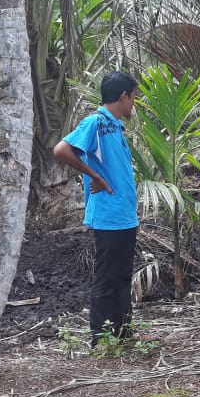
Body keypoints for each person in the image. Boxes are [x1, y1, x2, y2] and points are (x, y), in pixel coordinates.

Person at [53, 72, 145, 348]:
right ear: (123, 96)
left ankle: (123, 333)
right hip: (108, 214)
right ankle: (101, 339)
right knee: (107, 277)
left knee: (122, 276)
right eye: (133, 99)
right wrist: (94, 175)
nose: (133, 105)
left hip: (124, 214)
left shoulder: (115, 126)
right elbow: (61, 149)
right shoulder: (95, 122)